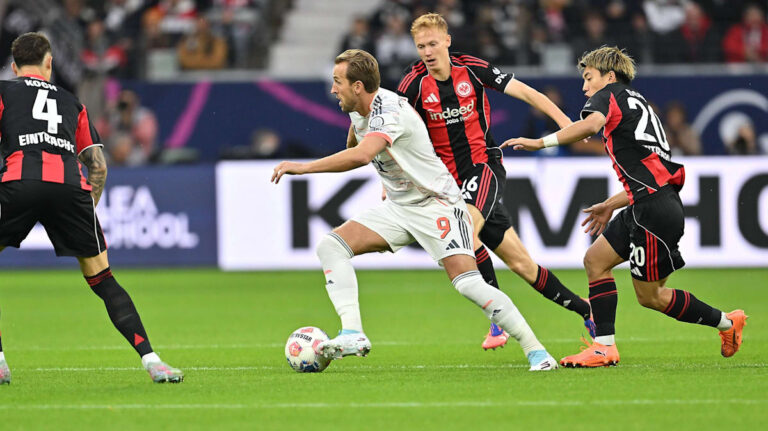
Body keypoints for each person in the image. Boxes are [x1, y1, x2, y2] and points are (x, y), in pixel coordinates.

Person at [271, 49, 559, 371]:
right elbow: (356, 140)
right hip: (399, 207)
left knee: (468, 284)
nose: (332, 89)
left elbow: (361, 156)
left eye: (337, 82)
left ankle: (538, 353)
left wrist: (303, 168)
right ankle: (352, 332)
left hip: (438, 205)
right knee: (331, 246)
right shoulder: (358, 108)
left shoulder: (389, 110)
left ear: (358, 87)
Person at [503, 46, 747, 367]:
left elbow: (590, 127)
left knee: (651, 297)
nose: (584, 87)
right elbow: (651, 173)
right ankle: (604, 347)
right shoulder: (638, 101)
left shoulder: (609, 96)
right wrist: (609, 203)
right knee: (595, 260)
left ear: (609, 76)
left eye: (588, 78)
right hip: (648, 202)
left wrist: (541, 142)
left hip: (653, 211)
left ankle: (728, 323)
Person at [397, 13, 594, 351]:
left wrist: (566, 124)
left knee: (464, 234)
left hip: (483, 168)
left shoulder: (471, 69)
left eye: (432, 44)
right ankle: (586, 310)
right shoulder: (412, 85)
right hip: (447, 184)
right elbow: (396, 129)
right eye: (421, 46)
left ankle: (496, 321)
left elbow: (529, 93)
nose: (427, 52)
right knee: (522, 264)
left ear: (447, 41)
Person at [0, 32, 182, 384]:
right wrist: (86, 209)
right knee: (103, 279)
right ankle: (153, 361)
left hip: (20, 182)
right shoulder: (72, 102)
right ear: (49, 63)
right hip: (71, 188)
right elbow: (97, 164)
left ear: (13, 66)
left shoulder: (5, 91)